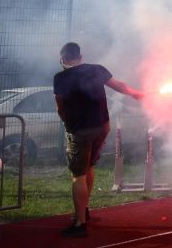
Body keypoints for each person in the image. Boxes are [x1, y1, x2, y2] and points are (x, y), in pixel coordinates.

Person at [53, 42, 143, 238]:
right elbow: (118, 86)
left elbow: (60, 107)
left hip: (80, 130)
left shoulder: (60, 77)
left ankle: (79, 223)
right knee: (89, 166)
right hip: (102, 126)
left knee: (78, 174)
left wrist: (66, 124)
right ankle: (83, 209)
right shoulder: (97, 69)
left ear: (62, 59)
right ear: (80, 57)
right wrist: (135, 93)